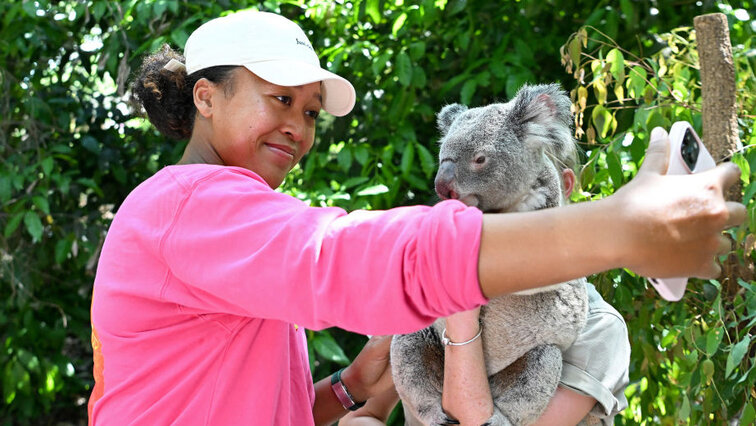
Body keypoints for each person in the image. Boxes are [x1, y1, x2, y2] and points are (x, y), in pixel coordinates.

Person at [88, 9, 745, 426]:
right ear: (206, 96)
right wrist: (618, 231)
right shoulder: (189, 207)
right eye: (280, 99)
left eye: (311, 112)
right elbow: (350, 257)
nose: (297, 127)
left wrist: (347, 389)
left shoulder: (222, 224)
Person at [342, 170, 631, 426]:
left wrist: (460, 315)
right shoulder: (428, 287)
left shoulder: (597, 327)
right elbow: (359, 416)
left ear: (563, 185)